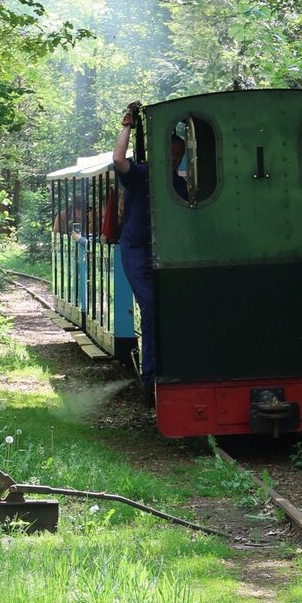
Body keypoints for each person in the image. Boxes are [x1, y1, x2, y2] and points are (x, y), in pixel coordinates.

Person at [112, 102, 187, 406]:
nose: (173, 159)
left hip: (166, 254)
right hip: (138, 252)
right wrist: (127, 125)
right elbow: (118, 159)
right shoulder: (140, 175)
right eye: (169, 153)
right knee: (153, 308)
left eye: (178, 155)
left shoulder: (179, 187)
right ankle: (151, 378)